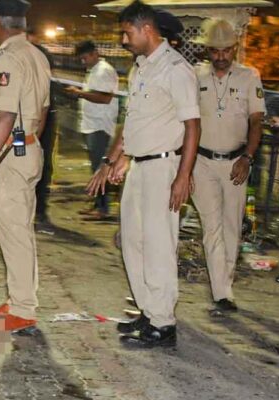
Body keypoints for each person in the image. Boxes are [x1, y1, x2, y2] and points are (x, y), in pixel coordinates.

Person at [87, 0, 200, 348]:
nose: (124, 40)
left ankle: (163, 324)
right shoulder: (140, 68)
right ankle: (149, 311)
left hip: (164, 168)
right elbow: (132, 121)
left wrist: (183, 176)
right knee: (132, 241)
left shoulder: (176, 69)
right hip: (138, 166)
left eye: (127, 33)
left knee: (158, 246)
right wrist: (112, 160)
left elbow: (193, 127)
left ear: (145, 29)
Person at [0, 0, 51, 332]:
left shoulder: (8, 58)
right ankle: (18, 298)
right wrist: (28, 141)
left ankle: (23, 309)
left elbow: (5, 114)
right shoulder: (36, 55)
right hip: (26, 150)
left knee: (15, 234)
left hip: (7, 157)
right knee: (19, 231)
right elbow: (43, 110)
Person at [190, 19, 266, 314]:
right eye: (215, 50)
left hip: (236, 162)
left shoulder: (249, 76)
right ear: (207, 50)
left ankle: (225, 285)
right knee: (212, 227)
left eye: (226, 50)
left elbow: (256, 121)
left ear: (234, 48)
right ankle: (222, 292)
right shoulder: (195, 75)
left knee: (232, 227)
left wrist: (247, 157)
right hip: (202, 163)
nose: (220, 56)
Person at [66, 41, 119, 220]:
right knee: (95, 167)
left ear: (94, 53)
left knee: (100, 168)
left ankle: (102, 208)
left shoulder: (103, 71)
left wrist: (79, 93)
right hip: (91, 125)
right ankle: (98, 204)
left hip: (100, 126)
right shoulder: (94, 71)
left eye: (85, 58)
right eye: (81, 59)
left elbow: (105, 98)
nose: (83, 62)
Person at [27, 27, 57, 229]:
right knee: (24, 159)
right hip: (25, 123)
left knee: (40, 164)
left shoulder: (40, 56)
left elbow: (44, 107)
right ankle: (32, 207)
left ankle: (38, 209)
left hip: (36, 122)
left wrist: (36, 134)